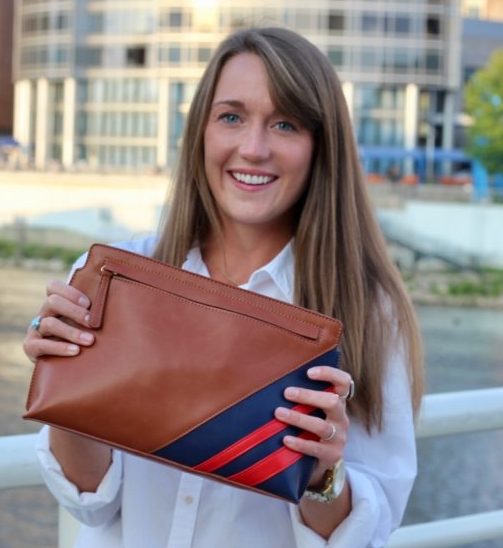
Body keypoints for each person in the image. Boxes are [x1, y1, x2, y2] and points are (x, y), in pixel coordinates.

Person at [23, 27, 425, 547]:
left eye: (285, 124)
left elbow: (360, 536)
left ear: (320, 147)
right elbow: (89, 502)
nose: (253, 148)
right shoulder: (114, 279)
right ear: (201, 133)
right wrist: (67, 389)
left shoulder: (371, 315)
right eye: (231, 116)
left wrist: (325, 474)